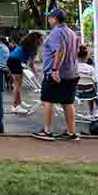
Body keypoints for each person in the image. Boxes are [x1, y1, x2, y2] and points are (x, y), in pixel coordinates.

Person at [31, 9, 79, 141]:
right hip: (72, 72)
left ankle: (47, 131)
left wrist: (55, 69)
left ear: (55, 19)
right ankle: (71, 132)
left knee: (48, 101)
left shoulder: (56, 32)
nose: (48, 20)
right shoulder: (72, 33)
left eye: (50, 17)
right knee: (67, 103)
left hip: (56, 73)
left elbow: (60, 50)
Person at [8, 31, 43, 114]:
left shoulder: (25, 45)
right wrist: (35, 73)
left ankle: (19, 103)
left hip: (14, 61)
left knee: (18, 85)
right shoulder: (32, 48)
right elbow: (31, 64)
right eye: (41, 39)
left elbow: (27, 61)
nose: (42, 40)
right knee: (17, 85)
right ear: (36, 40)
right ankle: (15, 106)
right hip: (14, 62)